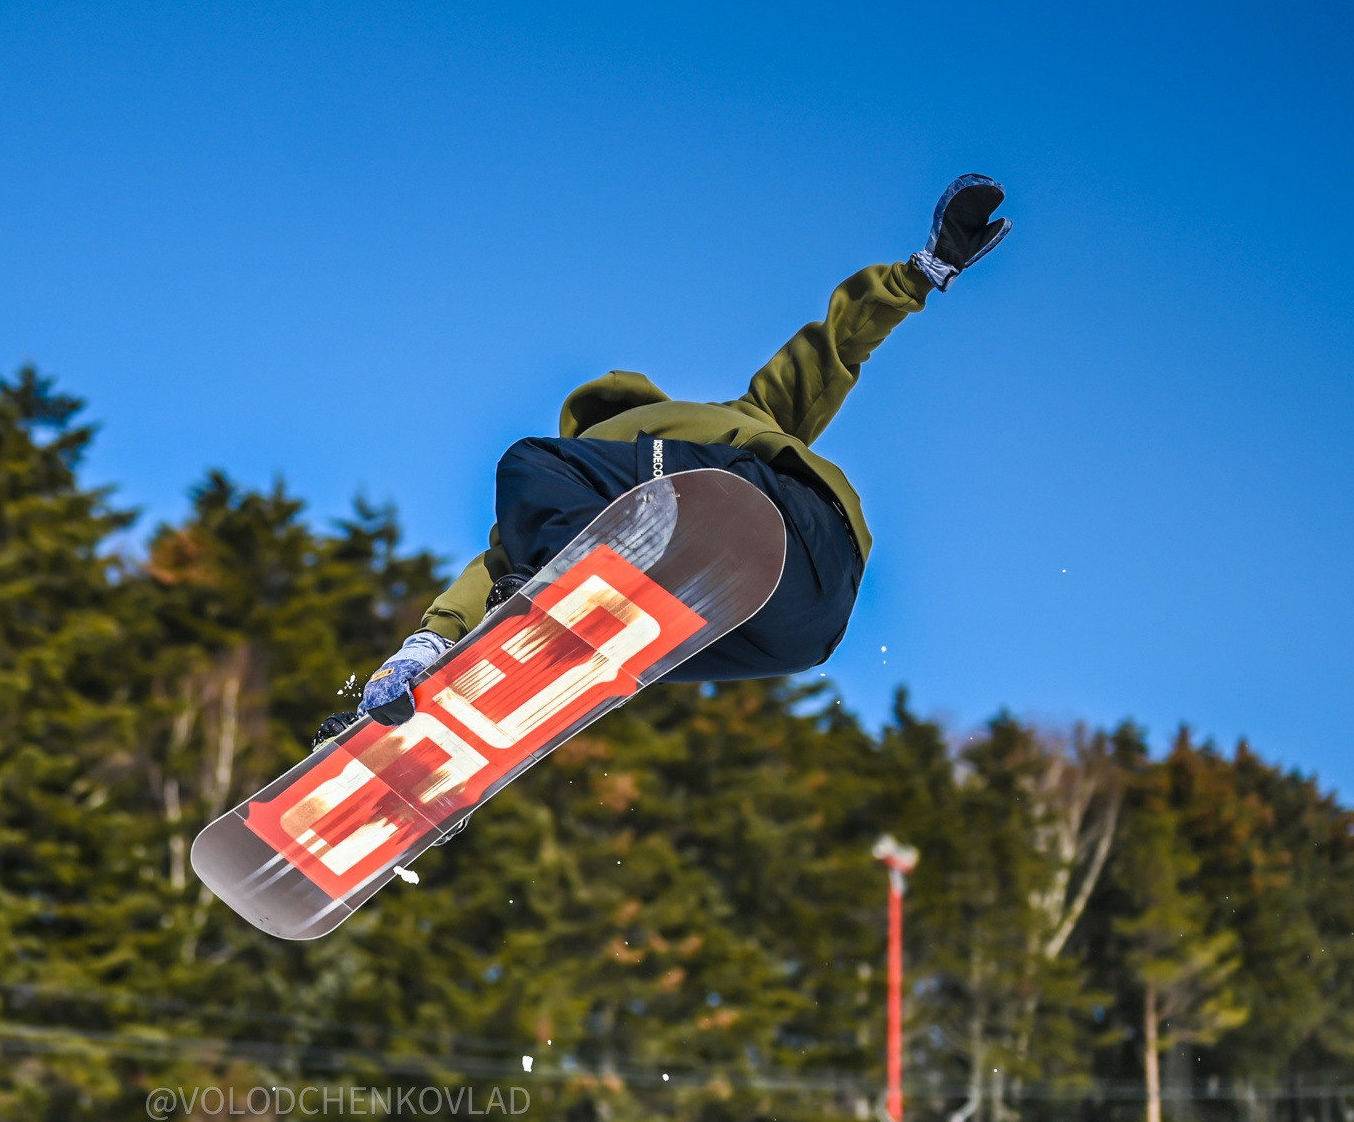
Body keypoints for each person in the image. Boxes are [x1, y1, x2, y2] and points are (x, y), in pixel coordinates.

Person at [339, 173, 1012, 732]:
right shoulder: (743, 416)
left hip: (762, 513)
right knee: (622, 644)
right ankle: (429, 726)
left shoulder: (597, 457)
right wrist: (923, 272)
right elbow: (832, 348)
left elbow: (492, 566)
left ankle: (549, 602)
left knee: (525, 464)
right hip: (805, 610)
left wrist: (425, 640)